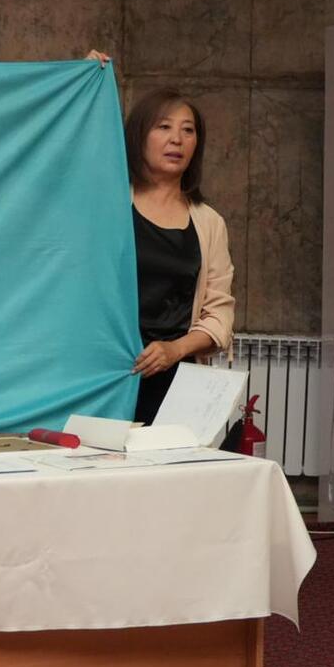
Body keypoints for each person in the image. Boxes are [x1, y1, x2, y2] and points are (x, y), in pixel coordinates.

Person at [123, 88, 234, 422]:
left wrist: (175, 350)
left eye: (188, 130)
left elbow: (219, 315)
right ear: (138, 136)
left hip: (176, 383)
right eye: (164, 127)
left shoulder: (210, 223)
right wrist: (83, 79)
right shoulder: (108, 203)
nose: (177, 139)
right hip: (110, 373)